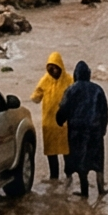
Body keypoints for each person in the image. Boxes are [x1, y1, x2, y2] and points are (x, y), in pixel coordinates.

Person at [56, 60, 108, 197]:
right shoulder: (98, 89)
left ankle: (84, 191)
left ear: (76, 75)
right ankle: (101, 189)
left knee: (81, 162)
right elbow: (104, 112)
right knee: (98, 162)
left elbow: (63, 109)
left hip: (76, 132)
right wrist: (103, 129)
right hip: (95, 131)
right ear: (88, 74)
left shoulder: (71, 89)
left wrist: (59, 121)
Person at [30, 52, 73, 181]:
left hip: (65, 123)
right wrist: (34, 97)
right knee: (51, 152)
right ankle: (54, 177)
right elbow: (36, 97)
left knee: (67, 151)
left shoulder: (69, 80)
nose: (53, 70)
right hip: (48, 122)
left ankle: (68, 175)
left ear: (61, 66)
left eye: (55, 67)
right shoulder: (45, 80)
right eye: (50, 68)